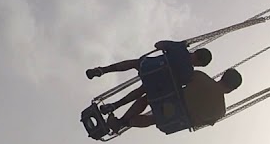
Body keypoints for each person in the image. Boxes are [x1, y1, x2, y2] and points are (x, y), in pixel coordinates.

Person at [91, 42, 213, 118]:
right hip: (155, 84)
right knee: (144, 92)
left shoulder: (180, 49)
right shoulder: (188, 74)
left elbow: (158, 45)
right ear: (200, 65)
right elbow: (178, 85)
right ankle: (114, 106)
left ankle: (103, 70)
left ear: (197, 51)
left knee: (135, 63)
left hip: (148, 67)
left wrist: (179, 45)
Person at [105, 68, 242, 134]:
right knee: (154, 119)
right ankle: (124, 123)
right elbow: (202, 123)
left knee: (148, 98)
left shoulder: (200, 77)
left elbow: (179, 79)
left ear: (223, 76)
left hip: (168, 102)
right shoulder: (220, 111)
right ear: (232, 89)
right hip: (175, 120)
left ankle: (121, 122)